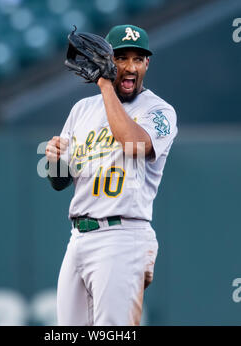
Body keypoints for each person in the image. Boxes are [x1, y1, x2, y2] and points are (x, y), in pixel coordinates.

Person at [45, 24, 178, 326]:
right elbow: (60, 182)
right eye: (121, 58)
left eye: (138, 58)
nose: (130, 67)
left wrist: (106, 85)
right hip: (78, 237)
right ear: (107, 60)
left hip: (122, 236)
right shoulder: (82, 110)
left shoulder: (159, 110)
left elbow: (134, 144)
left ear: (148, 63)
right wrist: (54, 160)